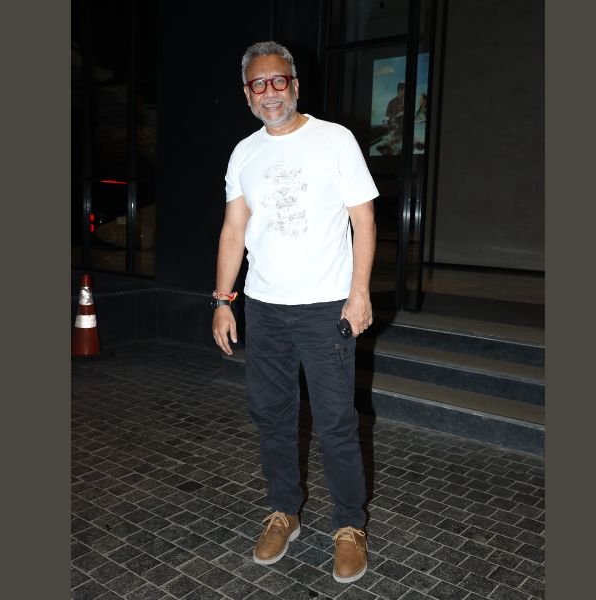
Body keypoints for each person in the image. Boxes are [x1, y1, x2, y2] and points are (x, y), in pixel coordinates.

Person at [211, 41, 378, 584]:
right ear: (247, 94)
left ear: (295, 85)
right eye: (258, 84)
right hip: (265, 308)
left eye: (278, 80)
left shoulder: (335, 140)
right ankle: (284, 511)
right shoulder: (244, 153)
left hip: (325, 307)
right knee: (272, 416)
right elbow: (234, 230)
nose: (270, 92)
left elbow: (363, 220)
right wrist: (223, 300)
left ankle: (349, 525)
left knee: (335, 421)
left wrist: (359, 293)